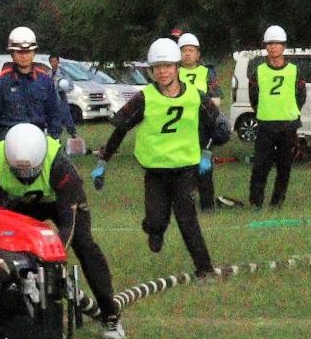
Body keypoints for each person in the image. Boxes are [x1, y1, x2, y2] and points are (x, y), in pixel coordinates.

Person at [0, 123, 124, 339]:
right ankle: (5, 310)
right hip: (18, 205)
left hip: (60, 202)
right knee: (2, 249)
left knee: (85, 245)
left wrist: (53, 260)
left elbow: (68, 225)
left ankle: (110, 314)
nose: (25, 176)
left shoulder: (61, 166)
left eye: (31, 171)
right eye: (18, 171)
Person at [93, 37, 220, 276]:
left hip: (185, 169)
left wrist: (207, 151)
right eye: (157, 68)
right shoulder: (144, 98)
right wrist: (103, 160)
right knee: (156, 220)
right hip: (155, 171)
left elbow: (219, 126)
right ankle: (155, 229)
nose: (163, 72)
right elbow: (122, 127)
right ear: (151, 71)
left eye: (168, 66)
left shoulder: (196, 96)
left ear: (177, 68)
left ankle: (205, 270)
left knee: (187, 220)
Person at [0, 26, 73, 147]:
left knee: (64, 165)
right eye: (20, 52)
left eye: (28, 52)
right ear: (12, 54)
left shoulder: (45, 81)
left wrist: (54, 138)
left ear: (34, 52)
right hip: (7, 141)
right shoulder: (0, 83)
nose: (24, 56)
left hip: (38, 139)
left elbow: (55, 114)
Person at [247, 25, 302, 209]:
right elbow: (253, 95)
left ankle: (277, 202)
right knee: (260, 166)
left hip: (287, 125)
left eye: (277, 44)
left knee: (284, 167)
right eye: (270, 44)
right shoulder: (259, 70)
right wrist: (263, 111)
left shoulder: (294, 70)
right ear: (265, 47)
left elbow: (300, 95)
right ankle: (256, 202)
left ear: (283, 47)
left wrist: (290, 111)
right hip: (266, 125)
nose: (273, 48)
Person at [176, 33, 219, 210]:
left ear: (198, 54)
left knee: (204, 169)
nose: (187, 54)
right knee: (181, 168)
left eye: (191, 50)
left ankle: (207, 205)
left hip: (201, 126)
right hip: (180, 126)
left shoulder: (206, 73)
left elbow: (216, 99)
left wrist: (210, 116)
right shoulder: (173, 72)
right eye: (183, 50)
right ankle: (183, 204)